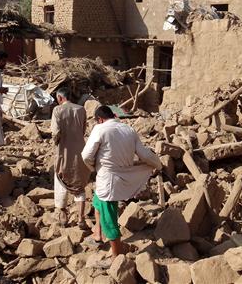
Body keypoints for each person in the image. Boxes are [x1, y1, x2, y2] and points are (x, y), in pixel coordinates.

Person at [81, 105, 162, 257]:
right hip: (122, 177)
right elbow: (144, 153)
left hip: (107, 179)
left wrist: (93, 167)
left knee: (109, 218)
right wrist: (157, 164)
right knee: (97, 202)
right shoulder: (128, 130)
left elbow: (86, 155)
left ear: (100, 119)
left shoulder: (100, 129)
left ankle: (116, 257)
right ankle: (97, 234)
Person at [50, 88, 89, 229]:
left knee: (61, 181)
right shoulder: (81, 110)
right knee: (79, 184)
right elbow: (83, 130)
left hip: (63, 151)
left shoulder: (57, 110)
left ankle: (63, 218)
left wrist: (57, 142)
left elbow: (55, 132)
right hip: (80, 151)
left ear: (60, 98)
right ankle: (81, 219)